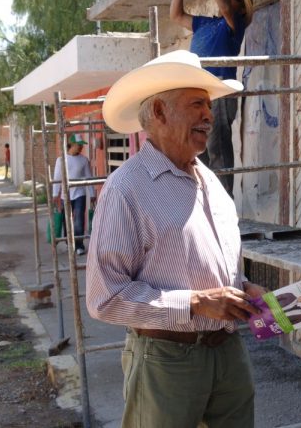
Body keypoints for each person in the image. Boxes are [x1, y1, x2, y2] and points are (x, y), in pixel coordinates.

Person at [86, 50, 266, 428]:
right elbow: (106, 299)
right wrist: (197, 303)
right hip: (166, 360)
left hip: (228, 352)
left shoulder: (211, 182)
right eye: (197, 104)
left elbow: (205, 265)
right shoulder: (126, 189)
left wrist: (243, 289)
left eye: (208, 105)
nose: (209, 115)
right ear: (159, 112)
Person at [169, 0, 254, 196]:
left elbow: (226, 7)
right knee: (198, 150)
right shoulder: (205, 23)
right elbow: (176, 15)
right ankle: (205, 202)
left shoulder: (234, 25)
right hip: (197, 95)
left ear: (241, 9)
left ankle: (223, 204)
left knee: (218, 149)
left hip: (218, 94)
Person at [52, 134, 95, 256]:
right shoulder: (61, 160)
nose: (81, 147)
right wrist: (55, 194)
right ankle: (69, 243)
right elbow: (57, 178)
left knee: (79, 219)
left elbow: (88, 177)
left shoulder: (83, 160)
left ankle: (79, 245)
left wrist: (92, 193)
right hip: (65, 194)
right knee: (67, 220)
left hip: (79, 194)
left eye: (82, 145)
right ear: (71, 145)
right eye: (79, 145)